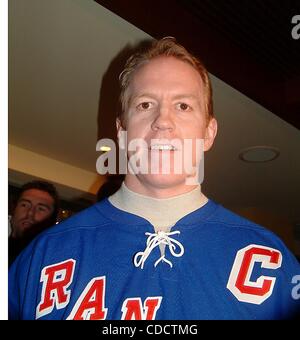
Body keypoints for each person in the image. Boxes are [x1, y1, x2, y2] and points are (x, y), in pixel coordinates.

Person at [9, 38, 300, 320]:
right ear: (122, 133)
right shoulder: (42, 256)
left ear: (208, 133)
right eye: (146, 104)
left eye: (183, 106)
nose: (163, 121)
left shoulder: (273, 261)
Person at [8, 180, 59, 267]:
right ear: (13, 209)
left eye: (41, 209)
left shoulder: (52, 262)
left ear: (52, 220)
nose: (30, 213)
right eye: (24, 205)